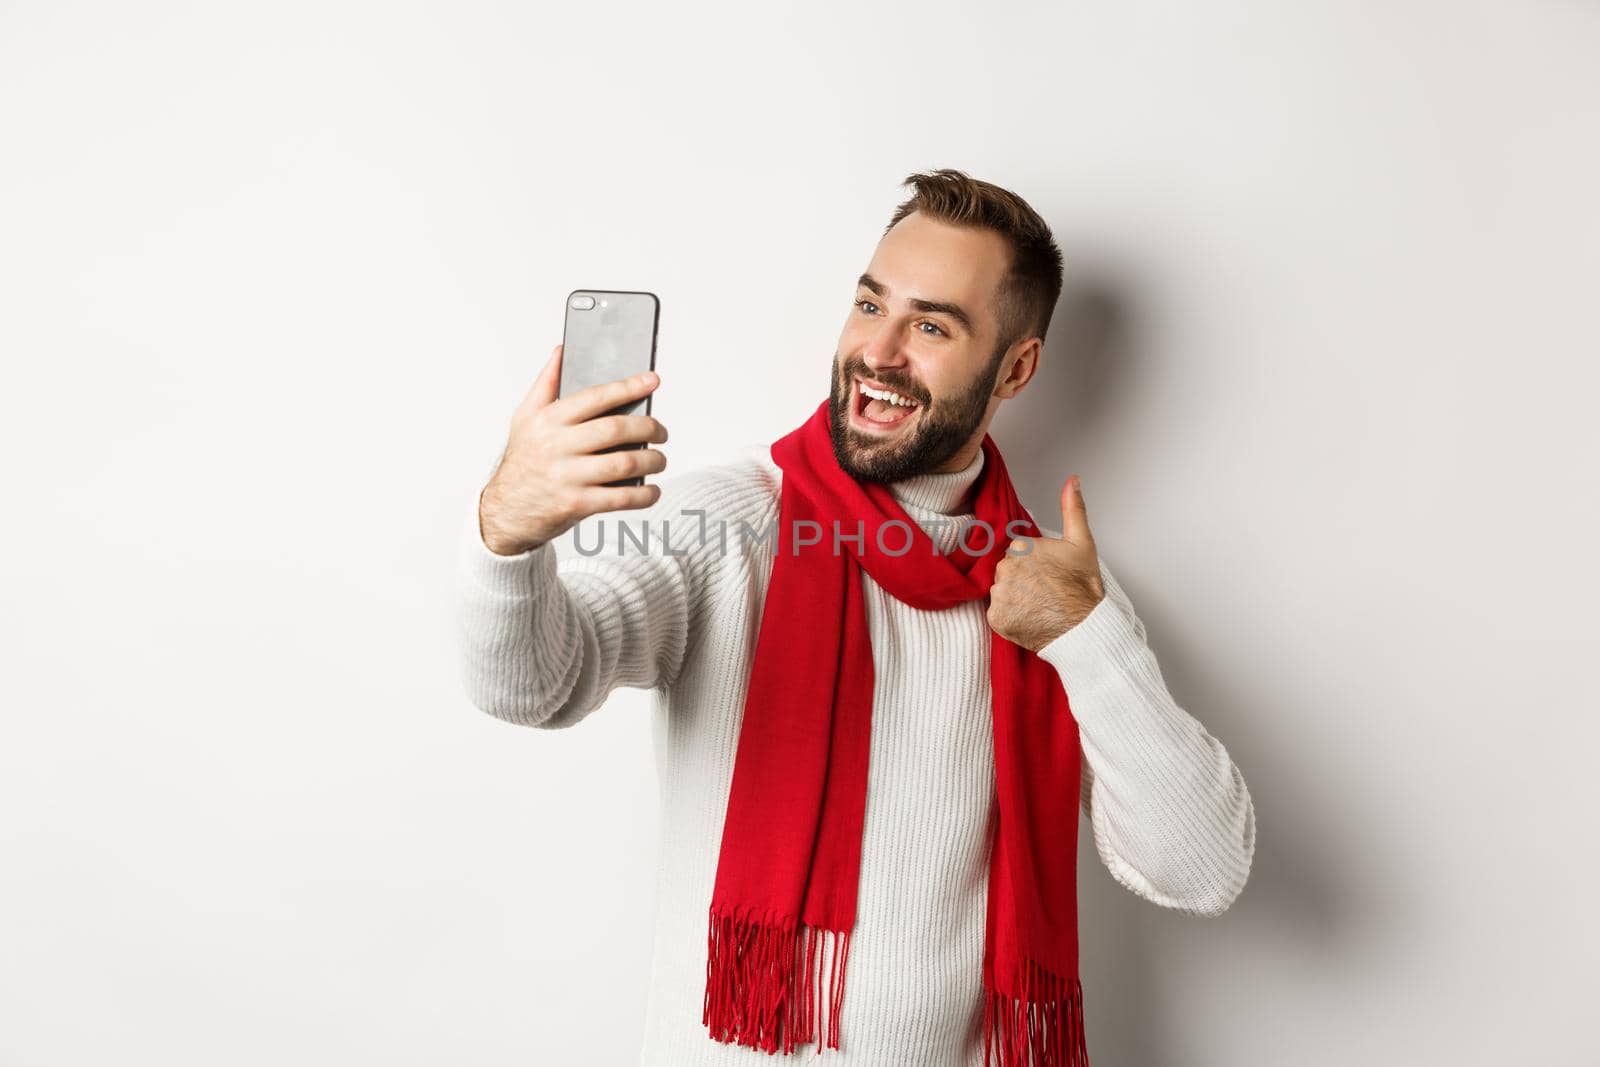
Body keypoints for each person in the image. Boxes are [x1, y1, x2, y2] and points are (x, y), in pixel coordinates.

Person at [455, 168, 1256, 1067]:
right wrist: (508, 536)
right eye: (871, 305)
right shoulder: (726, 522)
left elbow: (1202, 868)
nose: (878, 352)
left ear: (1017, 367)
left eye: (930, 326)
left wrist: (1087, 635)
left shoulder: (1056, 588)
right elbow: (532, 687)